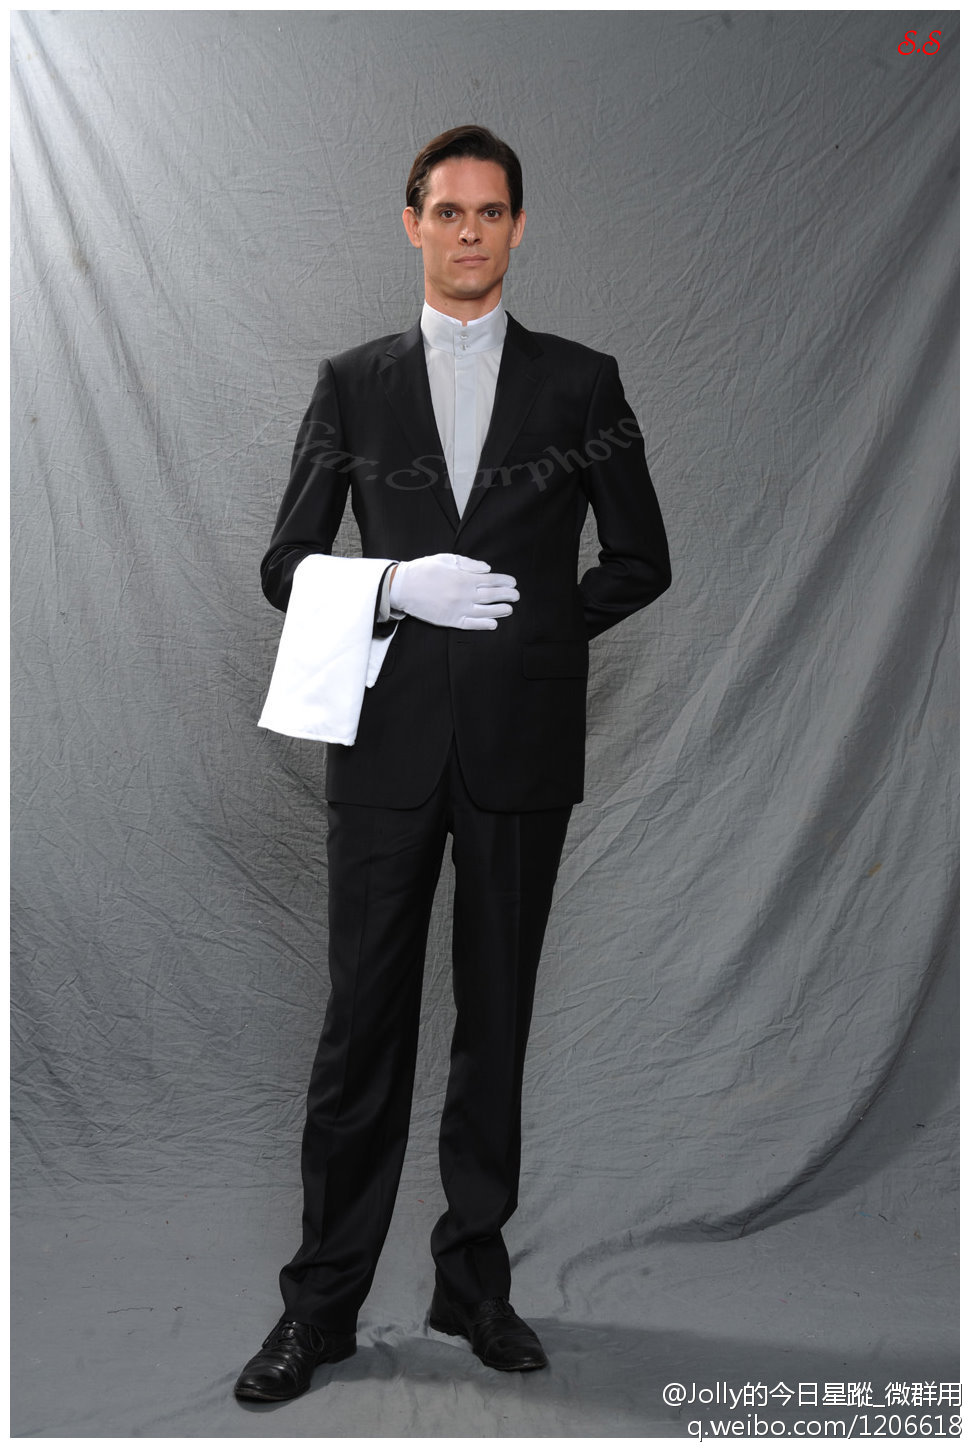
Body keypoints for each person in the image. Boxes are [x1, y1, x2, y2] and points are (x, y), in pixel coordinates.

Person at [235, 124, 671, 1403]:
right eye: (447, 210)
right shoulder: (351, 384)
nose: (469, 231)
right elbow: (284, 564)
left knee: (496, 1022)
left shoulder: (582, 383)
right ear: (412, 223)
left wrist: (535, 630)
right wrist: (390, 586)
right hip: (383, 746)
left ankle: (473, 1284)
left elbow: (641, 557)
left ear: (517, 226)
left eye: (490, 211)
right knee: (360, 1027)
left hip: (520, 749)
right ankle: (319, 1307)